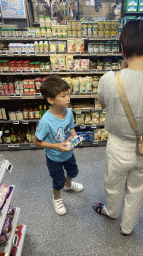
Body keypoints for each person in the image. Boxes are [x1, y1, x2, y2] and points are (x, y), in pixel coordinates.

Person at [93, 20, 143, 235]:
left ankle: (111, 211)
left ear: (122, 47)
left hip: (118, 146)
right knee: (138, 190)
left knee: (113, 184)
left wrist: (123, 69)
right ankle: (127, 227)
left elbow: (104, 105)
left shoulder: (109, 79)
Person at [33, 75, 83, 216]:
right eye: (63, 96)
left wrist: (75, 137)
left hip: (68, 152)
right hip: (54, 156)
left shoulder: (68, 113)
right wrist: (57, 147)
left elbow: (71, 127)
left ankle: (68, 185)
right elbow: (37, 142)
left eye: (68, 94)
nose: (68, 98)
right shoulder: (46, 121)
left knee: (73, 171)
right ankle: (57, 198)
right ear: (50, 100)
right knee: (58, 179)